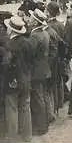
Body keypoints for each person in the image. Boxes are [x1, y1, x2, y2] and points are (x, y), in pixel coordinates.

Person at [3, 16, 33, 143]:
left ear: (11, 30)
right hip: (26, 78)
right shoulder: (28, 42)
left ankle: (12, 136)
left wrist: (11, 79)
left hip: (13, 81)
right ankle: (27, 135)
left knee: (12, 108)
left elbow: (8, 65)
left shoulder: (9, 45)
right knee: (25, 107)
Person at [26, 8, 51, 136]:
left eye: (31, 18)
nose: (29, 20)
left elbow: (30, 54)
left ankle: (40, 127)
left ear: (35, 22)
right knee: (42, 97)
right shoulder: (44, 33)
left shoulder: (35, 36)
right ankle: (45, 122)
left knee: (37, 99)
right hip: (44, 69)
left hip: (36, 71)